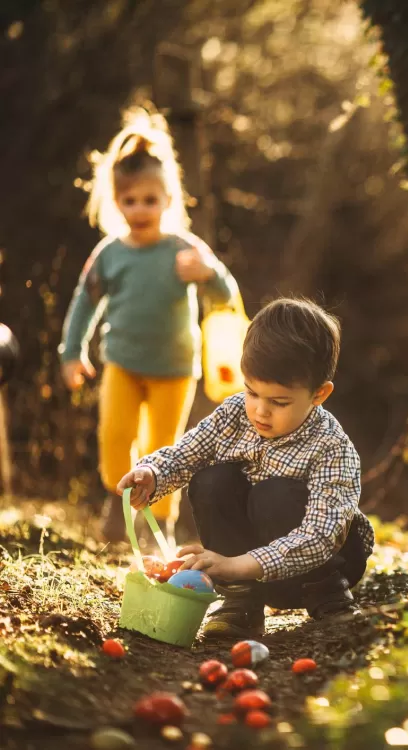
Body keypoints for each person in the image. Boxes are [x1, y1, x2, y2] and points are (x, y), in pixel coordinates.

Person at [116, 297, 374, 640]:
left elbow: (321, 535)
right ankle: (242, 604)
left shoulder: (331, 447)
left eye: (278, 402)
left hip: (321, 565)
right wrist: (152, 473)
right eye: (252, 392)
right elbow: (187, 453)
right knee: (211, 480)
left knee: (274, 494)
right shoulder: (235, 414)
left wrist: (237, 564)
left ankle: (331, 601)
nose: (260, 412)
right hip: (248, 570)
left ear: (319, 395)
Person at [59, 107, 238, 545]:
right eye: (129, 200)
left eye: (149, 200)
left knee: (165, 450)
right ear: (114, 201)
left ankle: (163, 527)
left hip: (175, 369)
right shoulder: (109, 254)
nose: (139, 209)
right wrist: (71, 352)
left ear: (169, 199)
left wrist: (207, 274)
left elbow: (226, 294)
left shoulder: (187, 251)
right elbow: (84, 303)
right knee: (115, 437)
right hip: (122, 361)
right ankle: (115, 507)